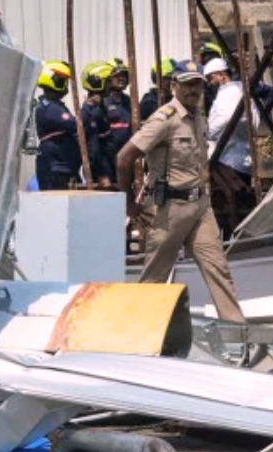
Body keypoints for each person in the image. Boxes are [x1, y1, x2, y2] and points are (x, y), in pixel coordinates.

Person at [117, 60, 247, 325]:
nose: (192, 89)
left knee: (218, 271)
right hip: (169, 210)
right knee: (155, 276)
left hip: (200, 206)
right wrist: (129, 204)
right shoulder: (165, 119)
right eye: (186, 84)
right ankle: (137, 331)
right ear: (173, 86)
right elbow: (124, 158)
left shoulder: (199, 117)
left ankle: (238, 333)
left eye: (197, 83)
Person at [204, 58, 256, 241]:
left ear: (220, 75)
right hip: (240, 155)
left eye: (210, 78)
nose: (209, 83)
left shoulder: (229, 92)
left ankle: (234, 237)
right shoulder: (240, 90)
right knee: (237, 200)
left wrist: (207, 133)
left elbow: (225, 119)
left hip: (228, 157)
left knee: (229, 201)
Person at [34, 60, 83, 191]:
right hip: (55, 168)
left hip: (65, 167)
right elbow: (74, 124)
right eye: (62, 80)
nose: (66, 85)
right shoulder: (48, 107)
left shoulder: (56, 106)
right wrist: (88, 108)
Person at [80, 61, 114, 188]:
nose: (111, 85)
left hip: (109, 166)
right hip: (101, 173)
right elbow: (92, 148)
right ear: (99, 83)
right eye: (108, 81)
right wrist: (101, 174)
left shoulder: (100, 107)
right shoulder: (92, 112)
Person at [104, 58, 134, 173]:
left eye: (124, 75)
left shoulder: (128, 101)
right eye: (117, 75)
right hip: (108, 161)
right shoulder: (103, 101)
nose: (122, 78)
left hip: (127, 158)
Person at [140, 57, 175, 122]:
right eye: (168, 78)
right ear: (157, 79)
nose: (172, 82)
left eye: (174, 78)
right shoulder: (148, 102)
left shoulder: (177, 99)